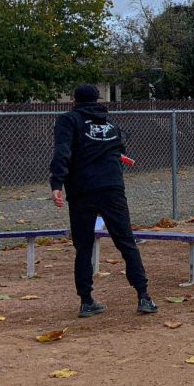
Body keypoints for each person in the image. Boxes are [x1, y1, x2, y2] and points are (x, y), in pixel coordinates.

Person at [49, 84, 157, 318]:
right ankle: (144, 297)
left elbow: (62, 151)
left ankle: (86, 301)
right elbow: (119, 151)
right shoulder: (110, 123)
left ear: (75, 101)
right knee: (126, 242)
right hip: (111, 189)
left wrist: (56, 184)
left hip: (82, 191)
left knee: (83, 246)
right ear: (97, 100)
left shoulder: (68, 120)